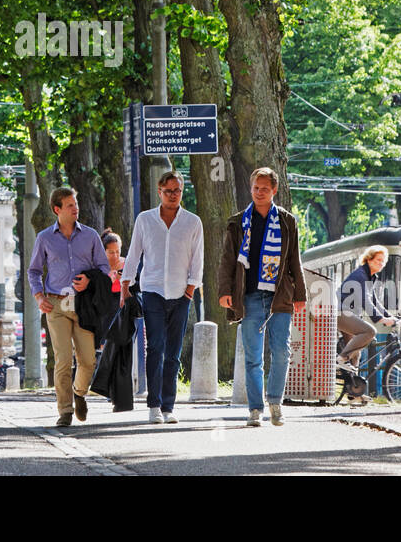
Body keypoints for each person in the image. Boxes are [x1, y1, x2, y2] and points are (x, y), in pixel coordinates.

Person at [217, 167, 306, 428]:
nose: (259, 192)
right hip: (249, 296)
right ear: (251, 188)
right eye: (256, 188)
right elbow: (227, 261)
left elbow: (294, 260)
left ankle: (275, 403)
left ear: (274, 190)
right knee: (253, 356)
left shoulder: (287, 221)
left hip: (280, 296)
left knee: (281, 352)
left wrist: (300, 293)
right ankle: (255, 409)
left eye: (264, 189)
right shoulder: (237, 222)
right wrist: (224, 291)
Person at [121, 170, 204, 425]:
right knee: (155, 346)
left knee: (173, 352)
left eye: (177, 191)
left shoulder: (192, 222)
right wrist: (126, 284)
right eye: (168, 191)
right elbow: (134, 253)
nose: (172, 195)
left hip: (181, 293)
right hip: (153, 290)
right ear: (159, 192)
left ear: (181, 191)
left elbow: (198, 258)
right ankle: (154, 405)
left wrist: (191, 288)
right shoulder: (145, 220)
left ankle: (169, 406)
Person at [27, 186, 111, 427]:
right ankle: (64, 410)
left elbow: (104, 269)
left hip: (84, 304)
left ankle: (79, 392)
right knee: (63, 359)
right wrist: (38, 296)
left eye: (76, 204)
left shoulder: (91, 236)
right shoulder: (44, 238)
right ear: (57, 209)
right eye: (70, 205)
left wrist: (89, 280)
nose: (76, 208)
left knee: (87, 361)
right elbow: (33, 271)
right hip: (56, 303)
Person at [336, 247, 398, 397]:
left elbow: (375, 301)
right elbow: (365, 301)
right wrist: (380, 319)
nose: (381, 264)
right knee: (370, 332)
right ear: (368, 259)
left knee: (356, 352)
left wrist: (391, 317)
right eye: (377, 260)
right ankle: (341, 359)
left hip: (349, 313)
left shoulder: (371, 277)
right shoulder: (360, 275)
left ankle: (353, 392)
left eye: (383, 261)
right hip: (340, 312)